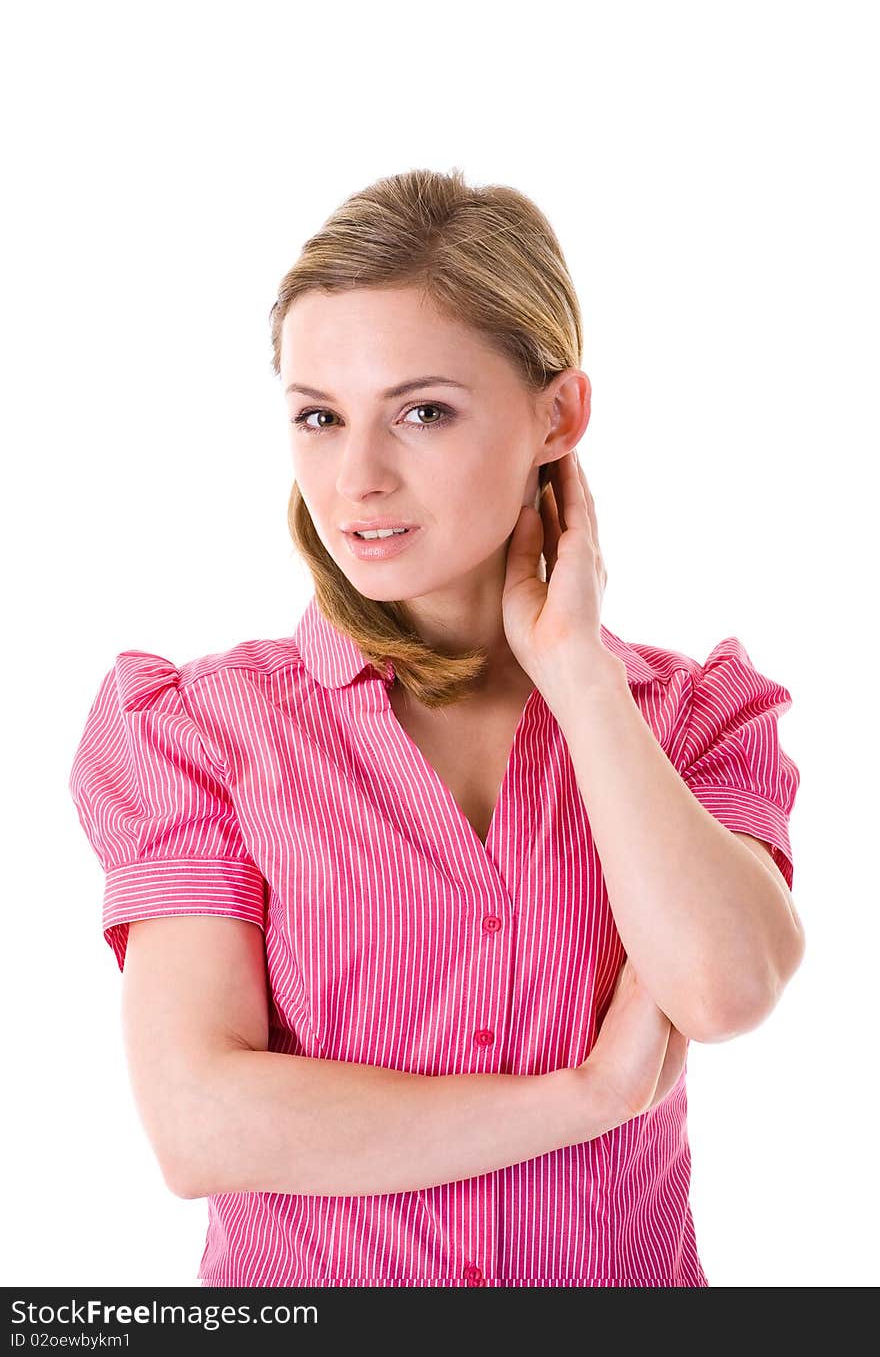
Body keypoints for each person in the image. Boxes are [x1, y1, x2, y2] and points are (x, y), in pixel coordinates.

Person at [68, 167, 804, 1288]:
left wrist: (577, 673)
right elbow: (200, 1124)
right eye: (319, 416)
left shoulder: (686, 718)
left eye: (421, 411)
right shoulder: (202, 735)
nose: (356, 477)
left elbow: (724, 988)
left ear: (557, 414)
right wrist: (584, 1100)